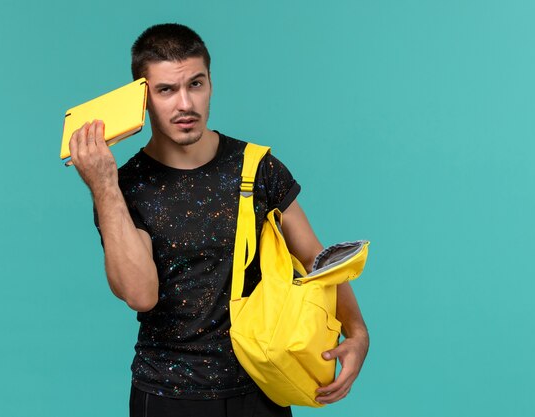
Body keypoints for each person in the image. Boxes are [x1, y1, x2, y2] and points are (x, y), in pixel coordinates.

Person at [68, 23, 369, 417]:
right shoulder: (125, 186)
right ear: (142, 97)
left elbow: (317, 260)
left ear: (210, 82)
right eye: (166, 90)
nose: (185, 104)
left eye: (195, 84)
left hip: (261, 387)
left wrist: (358, 332)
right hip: (166, 395)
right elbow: (140, 294)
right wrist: (103, 185)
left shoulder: (258, 167)